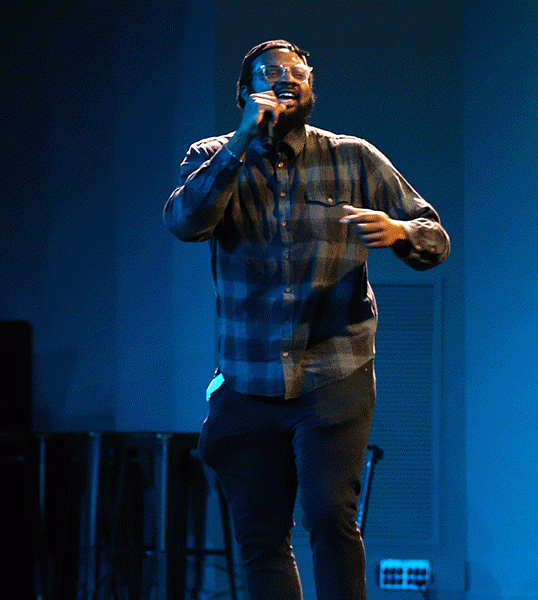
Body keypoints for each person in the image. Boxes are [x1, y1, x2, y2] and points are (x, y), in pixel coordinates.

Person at [164, 39, 449, 600]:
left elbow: (435, 236)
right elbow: (185, 221)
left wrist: (399, 232)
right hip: (249, 377)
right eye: (272, 74)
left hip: (334, 369)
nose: (287, 80)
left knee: (330, 518)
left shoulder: (353, 157)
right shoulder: (213, 155)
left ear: (312, 88)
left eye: (298, 73)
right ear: (245, 94)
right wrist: (243, 138)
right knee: (260, 536)